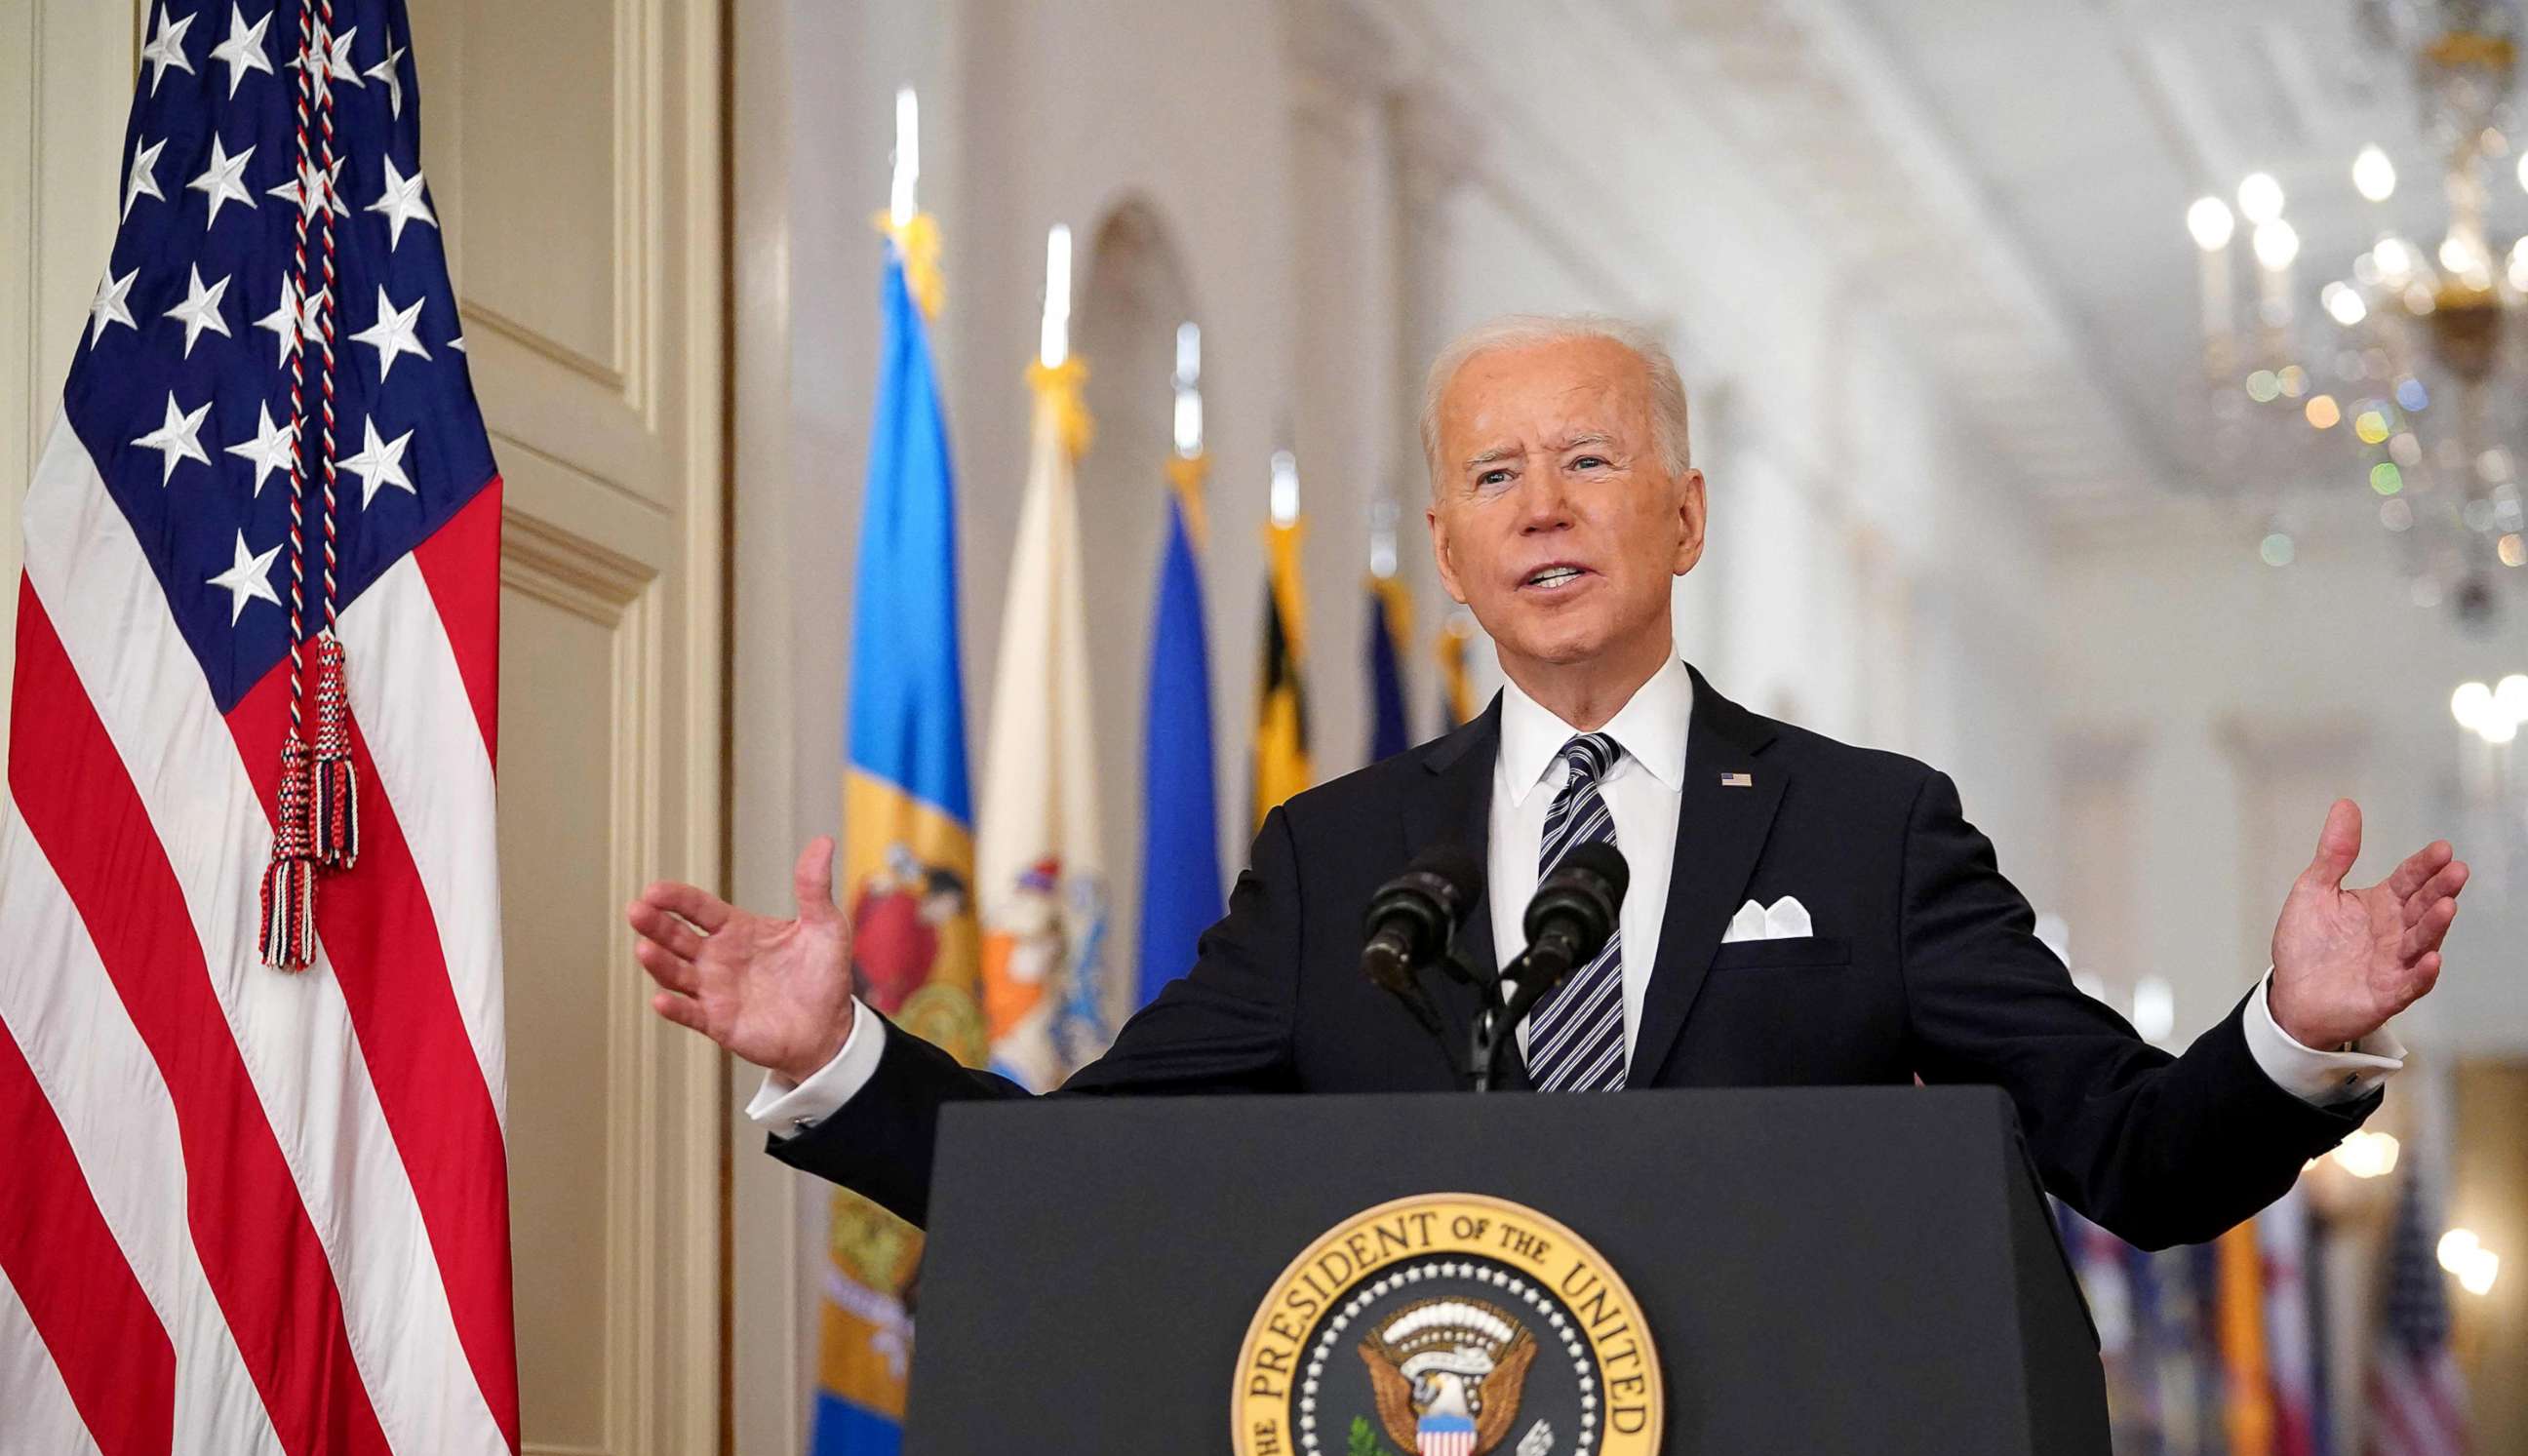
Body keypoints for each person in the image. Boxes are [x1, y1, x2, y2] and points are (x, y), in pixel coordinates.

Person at [628, 313, 2466, 1246]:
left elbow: (2133, 1158)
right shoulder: (1338, 853)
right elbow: (1089, 1178)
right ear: (1445, 543)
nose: (1544, 506)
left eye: (1591, 459)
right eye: (1495, 476)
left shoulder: (1867, 825)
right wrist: (840, 1061)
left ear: (1681, 512)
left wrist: (2294, 1030)